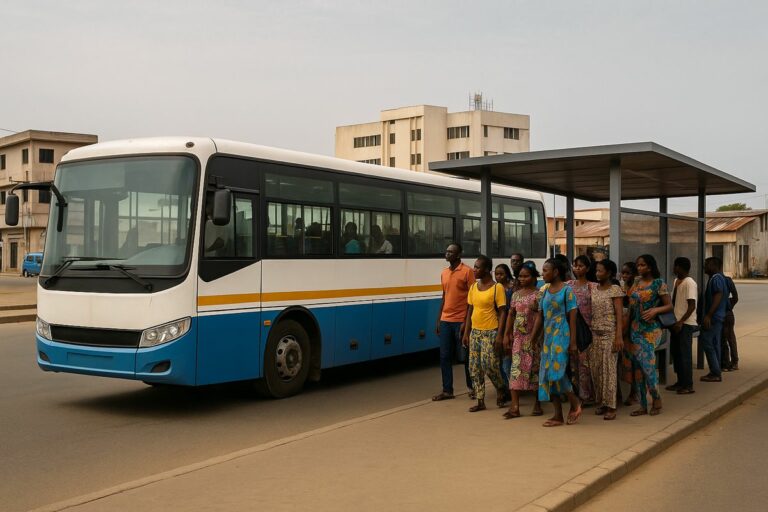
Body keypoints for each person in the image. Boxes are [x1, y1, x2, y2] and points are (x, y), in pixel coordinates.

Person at [535, 257, 582, 427]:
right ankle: (557, 415)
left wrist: (573, 343)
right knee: (547, 376)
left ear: (555, 272)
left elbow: (573, 317)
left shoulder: (567, 291)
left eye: (546, 270)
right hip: (547, 338)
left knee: (558, 372)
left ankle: (575, 402)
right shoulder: (545, 290)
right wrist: (533, 338)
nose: (543, 273)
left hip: (562, 335)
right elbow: (540, 316)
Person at [627, 254, 673, 416]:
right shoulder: (635, 282)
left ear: (650, 266)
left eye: (643, 265)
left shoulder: (659, 284)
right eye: (638, 265)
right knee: (638, 369)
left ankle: (656, 398)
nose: (640, 268)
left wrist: (655, 310)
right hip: (635, 328)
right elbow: (631, 306)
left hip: (650, 330)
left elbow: (669, 306)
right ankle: (642, 404)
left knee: (647, 366)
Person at [463, 255, 508, 412]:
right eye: (474, 267)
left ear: (487, 269)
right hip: (475, 331)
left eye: (477, 267)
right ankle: (480, 400)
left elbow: (503, 312)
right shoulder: (473, 287)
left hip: (491, 331)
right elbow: (470, 310)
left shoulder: (497, 288)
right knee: (474, 367)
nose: (474, 270)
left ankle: (501, 387)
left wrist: (500, 335)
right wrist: (466, 332)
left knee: (490, 365)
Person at [433, 243, 475, 401]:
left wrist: (466, 321)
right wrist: (438, 319)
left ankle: (472, 388)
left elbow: (472, 298)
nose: (447, 254)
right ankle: (447, 390)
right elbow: (444, 296)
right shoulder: (444, 273)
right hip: (446, 320)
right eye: (447, 251)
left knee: (465, 357)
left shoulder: (467, 271)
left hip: (461, 321)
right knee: (444, 356)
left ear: (458, 255)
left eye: (451, 252)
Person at [502, 261, 543, 418]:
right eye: (520, 276)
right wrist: (506, 334)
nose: (522, 279)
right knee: (515, 370)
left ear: (534, 277)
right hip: (518, 339)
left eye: (526, 276)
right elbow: (511, 314)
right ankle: (515, 406)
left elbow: (541, 316)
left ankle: (538, 403)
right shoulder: (516, 295)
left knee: (534, 370)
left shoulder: (539, 295)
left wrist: (534, 338)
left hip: (534, 338)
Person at [589, 260, 625, 420]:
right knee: (597, 370)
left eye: (600, 271)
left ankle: (611, 406)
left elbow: (619, 315)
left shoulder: (615, 290)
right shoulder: (593, 289)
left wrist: (619, 336)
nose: (597, 273)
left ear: (609, 273)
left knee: (609, 370)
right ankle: (602, 402)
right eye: (596, 271)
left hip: (610, 334)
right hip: (594, 334)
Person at [568, 255, 597, 406]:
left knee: (585, 364)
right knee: (573, 364)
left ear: (587, 268)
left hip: (588, 330)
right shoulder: (568, 285)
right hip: (572, 329)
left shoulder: (593, 286)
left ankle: (587, 396)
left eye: (580, 265)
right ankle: (577, 393)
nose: (577, 268)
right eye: (575, 265)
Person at [666, 257, 698, 395]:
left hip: (685, 324)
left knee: (685, 354)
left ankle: (688, 384)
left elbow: (692, 305)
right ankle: (680, 381)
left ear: (679, 267)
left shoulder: (689, 283)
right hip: (676, 322)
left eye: (675, 266)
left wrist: (681, 322)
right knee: (677, 353)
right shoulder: (676, 281)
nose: (673, 269)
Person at [700, 256, 728, 382]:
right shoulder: (718, 278)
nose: (704, 266)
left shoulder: (716, 279)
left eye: (706, 264)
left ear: (714, 266)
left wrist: (709, 315)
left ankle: (715, 372)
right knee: (715, 343)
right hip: (719, 316)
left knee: (706, 341)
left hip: (714, 317)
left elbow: (718, 295)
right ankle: (716, 371)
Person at [619, 261, 640, 406]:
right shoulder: (623, 287)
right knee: (627, 362)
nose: (624, 275)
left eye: (627, 273)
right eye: (623, 272)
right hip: (625, 330)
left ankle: (635, 393)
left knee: (635, 363)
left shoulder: (636, 290)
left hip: (634, 330)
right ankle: (631, 392)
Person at [494, 263, 515, 400]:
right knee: (500, 360)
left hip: (510, 327)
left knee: (508, 361)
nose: (498, 277)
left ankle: (512, 389)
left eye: (501, 274)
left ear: (507, 274)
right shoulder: (495, 288)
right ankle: (506, 388)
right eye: (496, 274)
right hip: (498, 326)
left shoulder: (512, 289)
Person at [721, 275, 739, 371]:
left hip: (726, 313)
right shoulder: (726, 280)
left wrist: (727, 306)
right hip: (726, 312)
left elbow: (735, 297)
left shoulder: (725, 280)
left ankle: (733, 361)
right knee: (726, 338)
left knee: (728, 337)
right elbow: (735, 297)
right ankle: (728, 362)